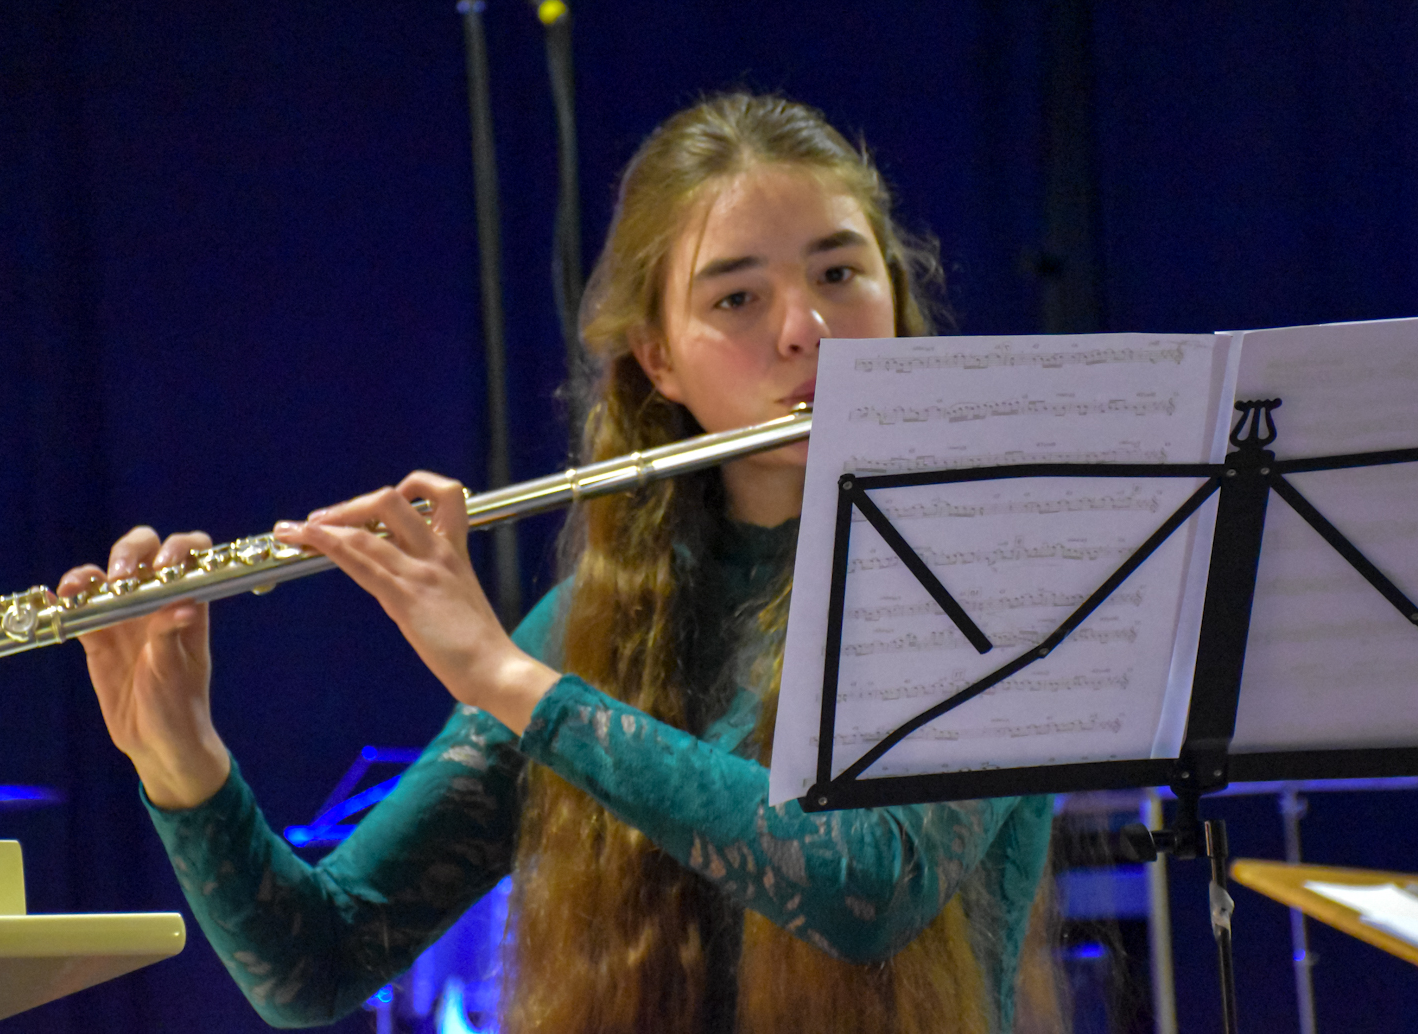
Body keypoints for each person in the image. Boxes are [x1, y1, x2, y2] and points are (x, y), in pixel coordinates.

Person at [60, 93, 1055, 1033]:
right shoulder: (597, 627)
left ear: (894, 291)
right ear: (658, 359)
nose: (808, 331)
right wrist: (179, 759)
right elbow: (315, 961)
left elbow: (867, 886)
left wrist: (507, 679)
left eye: (840, 274)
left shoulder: (995, 586)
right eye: (739, 296)